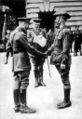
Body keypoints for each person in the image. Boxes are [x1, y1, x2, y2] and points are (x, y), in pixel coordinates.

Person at [9, 17, 45, 113]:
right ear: (24, 24)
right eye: (27, 24)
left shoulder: (12, 33)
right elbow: (29, 48)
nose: (28, 26)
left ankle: (17, 105)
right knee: (24, 82)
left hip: (15, 61)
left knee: (17, 81)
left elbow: (8, 47)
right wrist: (41, 54)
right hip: (22, 60)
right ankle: (23, 106)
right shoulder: (21, 34)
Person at [46, 11, 72, 109]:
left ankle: (67, 101)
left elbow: (66, 49)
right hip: (57, 59)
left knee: (65, 80)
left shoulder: (66, 32)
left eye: (56, 18)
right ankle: (66, 100)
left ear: (61, 19)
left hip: (62, 60)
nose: (55, 21)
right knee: (63, 79)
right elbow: (55, 44)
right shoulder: (58, 31)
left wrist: (64, 62)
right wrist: (48, 51)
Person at [28, 19, 47, 87]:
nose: (37, 25)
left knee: (41, 66)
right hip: (34, 52)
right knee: (35, 67)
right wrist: (34, 38)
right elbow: (28, 41)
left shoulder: (43, 31)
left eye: (38, 24)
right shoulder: (30, 32)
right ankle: (36, 80)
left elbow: (46, 41)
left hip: (41, 52)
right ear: (33, 24)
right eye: (36, 24)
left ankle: (41, 80)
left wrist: (46, 52)